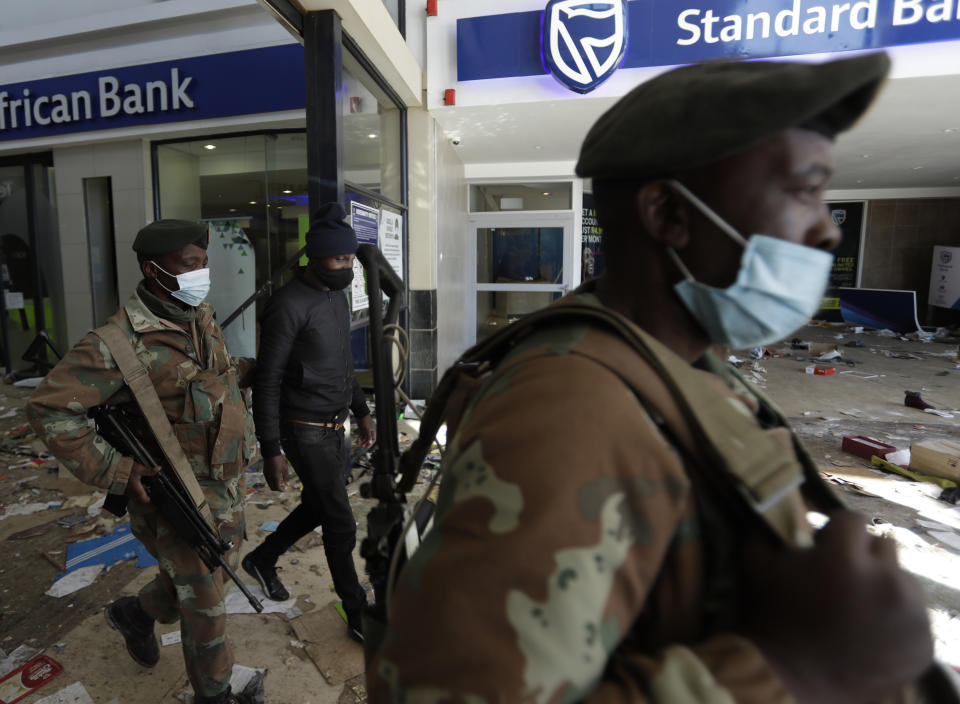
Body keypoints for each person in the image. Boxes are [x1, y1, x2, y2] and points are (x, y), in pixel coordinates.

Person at [368, 54, 938, 703]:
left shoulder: (679, 364)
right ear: (669, 214)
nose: (828, 228)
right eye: (804, 189)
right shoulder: (571, 411)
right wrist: (791, 668)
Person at [27, 220, 259, 704]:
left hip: (224, 488)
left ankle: (134, 615)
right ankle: (215, 695)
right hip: (172, 496)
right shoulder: (114, 344)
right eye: (190, 265)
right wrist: (116, 469)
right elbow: (50, 407)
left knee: (202, 582)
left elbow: (210, 381)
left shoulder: (198, 316)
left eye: (204, 262)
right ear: (153, 271)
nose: (202, 273)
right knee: (207, 610)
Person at [243, 202, 375, 643]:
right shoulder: (287, 305)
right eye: (340, 259)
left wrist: (361, 409)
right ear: (315, 257)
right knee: (340, 521)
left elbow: (343, 360)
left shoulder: (335, 296)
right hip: (304, 429)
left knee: (322, 505)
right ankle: (356, 611)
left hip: (336, 423)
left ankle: (263, 558)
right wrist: (271, 448)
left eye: (351, 259)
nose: (348, 267)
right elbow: (267, 381)